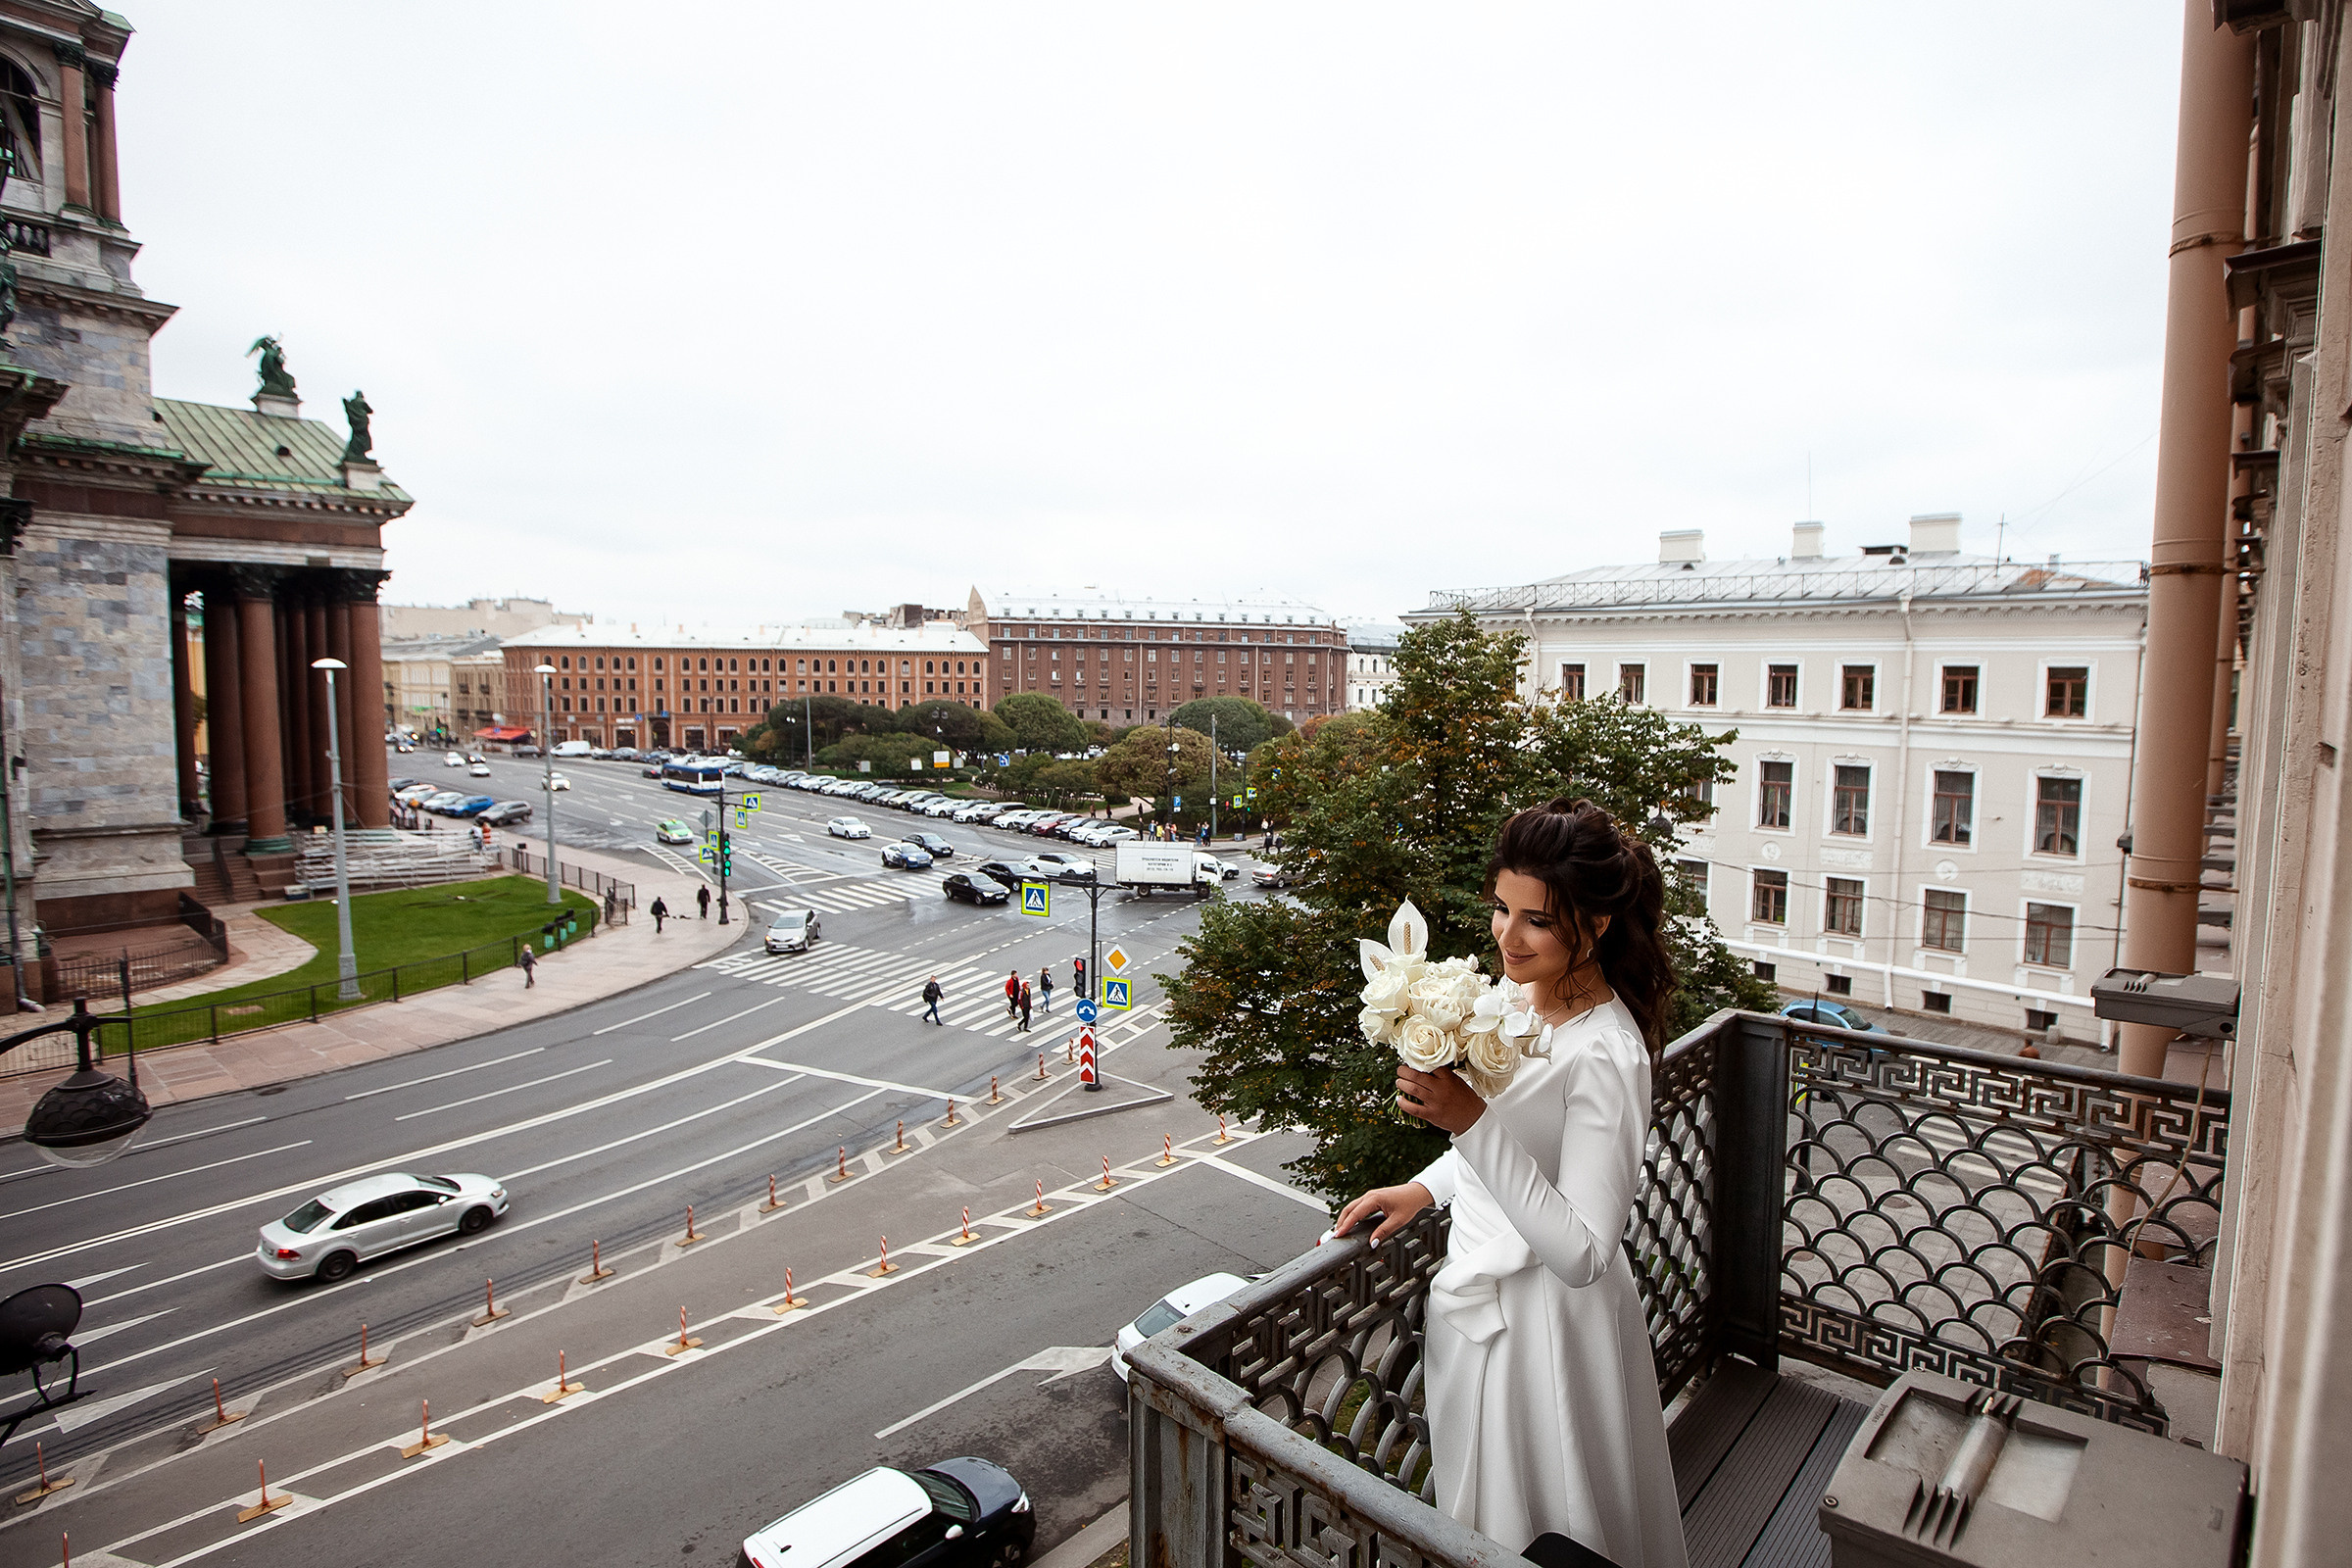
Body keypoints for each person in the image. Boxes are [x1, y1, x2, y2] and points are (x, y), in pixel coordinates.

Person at [1332, 799, 1687, 1568]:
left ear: (1594, 925)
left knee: (1543, 1523)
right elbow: (1522, 1143)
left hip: (1547, 1332)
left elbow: (1585, 1252)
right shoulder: (1526, 997)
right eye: (1502, 908)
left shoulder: (1607, 1054)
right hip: (1479, 1288)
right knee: (1482, 1509)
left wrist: (1468, 1123)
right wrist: (1427, 1188)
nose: (1506, 935)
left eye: (1537, 920)